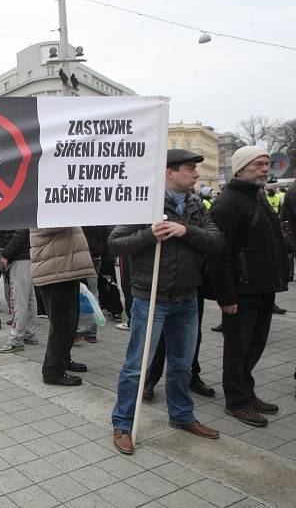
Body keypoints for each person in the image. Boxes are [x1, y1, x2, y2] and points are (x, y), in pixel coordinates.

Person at [108, 149, 224, 455]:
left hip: (187, 298)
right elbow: (115, 244)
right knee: (137, 366)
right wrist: (149, 235)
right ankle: (123, 423)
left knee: (182, 365)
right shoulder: (142, 204)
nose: (196, 174)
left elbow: (216, 241)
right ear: (169, 172)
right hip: (151, 299)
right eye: (189, 169)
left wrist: (186, 231)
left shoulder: (197, 204)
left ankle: (182, 415)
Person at [209, 146, 288, 428]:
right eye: (258, 164)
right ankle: (237, 401)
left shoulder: (257, 196)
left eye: (266, 163)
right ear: (241, 168)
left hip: (263, 287)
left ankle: (246, 391)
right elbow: (220, 255)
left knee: (255, 344)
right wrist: (226, 297)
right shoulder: (228, 203)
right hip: (242, 291)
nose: (265, 168)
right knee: (238, 347)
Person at [30, 227, 95, 386]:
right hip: (54, 271)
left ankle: (63, 360)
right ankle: (53, 371)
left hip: (65, 268)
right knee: (61, 324)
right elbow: (48, 227)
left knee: (70, 322)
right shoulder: (43, 207)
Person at [0, 229, 39, 352]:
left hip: (19, 258)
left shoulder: (18, 212)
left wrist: (6, 254)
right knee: (30, 299)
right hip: (27, 256)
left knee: (18, 301)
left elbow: (20, 233)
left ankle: (16, 339)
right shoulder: (26, 211)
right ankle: (29, 333)